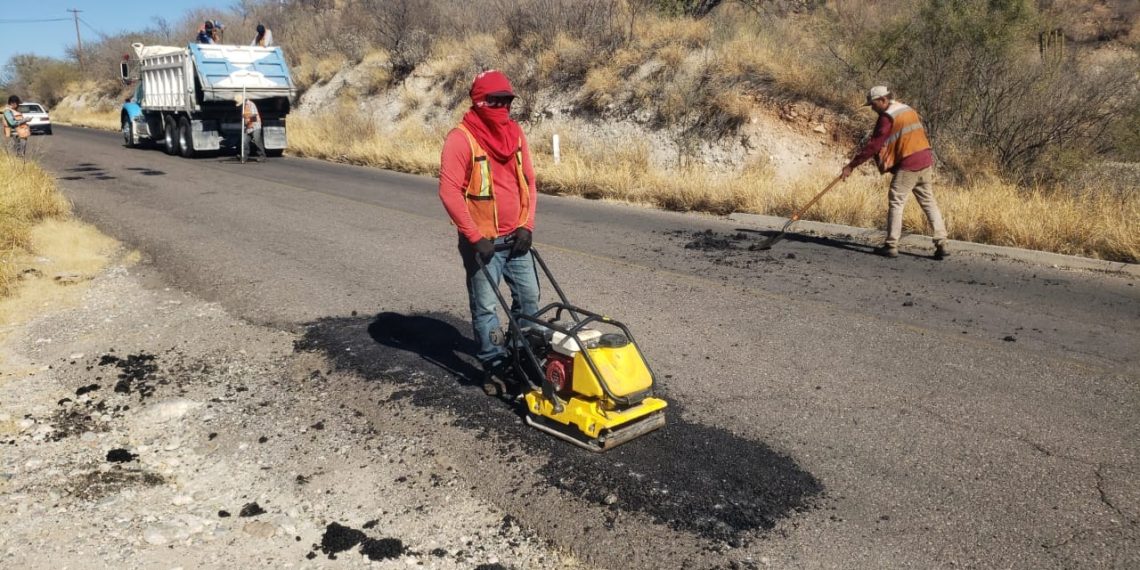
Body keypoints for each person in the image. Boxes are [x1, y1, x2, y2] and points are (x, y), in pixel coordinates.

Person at [438, 69, 539, 396]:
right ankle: (493, 367)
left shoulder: (515, 134)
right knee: (485, 307)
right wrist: (474, 236)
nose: (501, 106)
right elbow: (449, 191)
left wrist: (527, 224)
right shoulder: (461, 138)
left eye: (506, 100)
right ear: (479, 101)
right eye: (494, 100)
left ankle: (523, 356)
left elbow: (530, 182)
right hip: (483, 244)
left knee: (529, 299)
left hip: (516, 238)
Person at [841, 85, 949, 260]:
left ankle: (891, 245)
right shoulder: (907, 109)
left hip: (909, 164)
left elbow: (873, 145)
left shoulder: (887, 117)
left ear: (883, 100)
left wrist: (851, 166)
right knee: (929, 202)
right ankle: (941, 242)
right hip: (925, 160)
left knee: (896, 201)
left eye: (873, 104)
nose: (872, 109)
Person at [239, 96, 267, 161]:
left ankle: (262, 156)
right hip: (247, 126)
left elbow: (254, 115)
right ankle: (244, 156)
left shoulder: (251, 104)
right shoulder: (243, 106)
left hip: (255, 125)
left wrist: (246, 116)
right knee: (244, 141)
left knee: (257, 140)